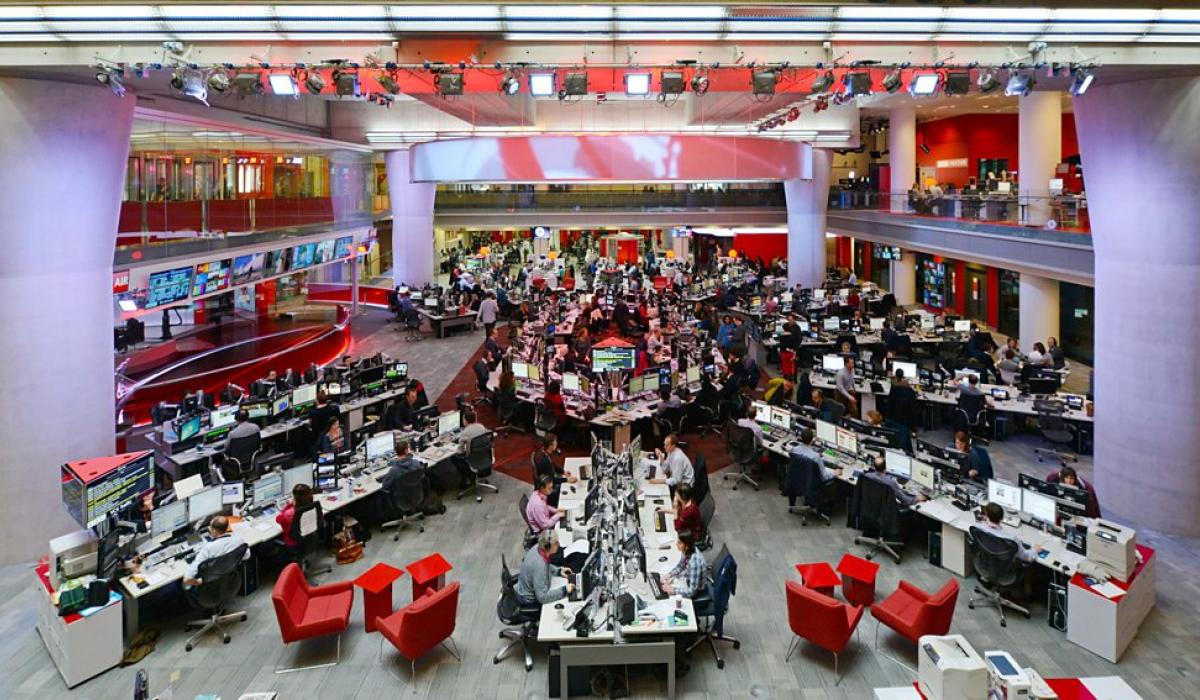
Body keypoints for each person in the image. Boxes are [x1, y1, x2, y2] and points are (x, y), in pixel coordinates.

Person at [182, 516, 248, 592]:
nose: (208, 528)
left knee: (183, 585)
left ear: (214, 531)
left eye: (210, 526)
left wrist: (198, 582)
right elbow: (247, 556)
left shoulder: (209, 548)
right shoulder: (238, 540)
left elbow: (187, 578)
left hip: (210, 582)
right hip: (229, 576)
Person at [515, 531, 574, 606]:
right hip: (529, 599)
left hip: (523, 588)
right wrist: (565, 590)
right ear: (548, 547)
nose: (559, 544)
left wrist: (558, 571)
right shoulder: (540, 565)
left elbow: (546, 565)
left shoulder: (537, 548)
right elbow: (542, 598)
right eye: (556, 543)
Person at [786, 428, 839, 510]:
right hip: (811, 484)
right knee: (836, 480)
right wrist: (835, 473)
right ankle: (827, 506)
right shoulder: (816, 457)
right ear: (812, 440)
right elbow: (824, 477)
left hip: (797, 480)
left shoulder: (794, 450)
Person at [660, 530, 706, 598]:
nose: (676, 544)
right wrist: (669, 575)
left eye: (679, 543)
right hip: (688, 578)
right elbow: (681, 566)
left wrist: (674, 590)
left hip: (695, 589)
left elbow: (692, 592)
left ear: (686, 546)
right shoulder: (687, 550)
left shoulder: (694, 563)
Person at [453, 408, 489, 489]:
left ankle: (466, 477)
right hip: (484, 455)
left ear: (465, 421)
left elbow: (460, 451)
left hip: (473, 459)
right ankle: (470, 475)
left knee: (454, 457)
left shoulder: (465, 432)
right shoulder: (481, 426)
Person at [276, 483, 313, 548]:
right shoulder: (313, 506)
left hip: (293, 542)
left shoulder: (289, 514)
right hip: (310, 536)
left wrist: (289, 505)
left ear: (295, 498)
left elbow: (278, 519)